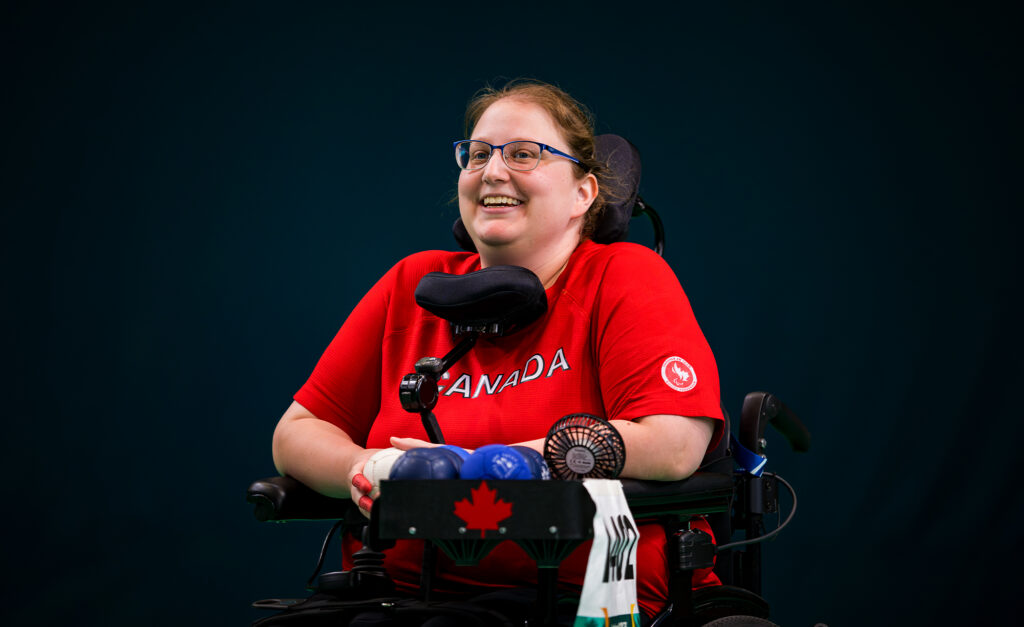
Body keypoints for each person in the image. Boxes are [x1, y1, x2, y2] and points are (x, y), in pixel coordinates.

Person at [271, 80, 725, 624]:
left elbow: (674, 444)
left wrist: (483, 468)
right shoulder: (413, 284)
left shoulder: (622, 276)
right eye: (478, 154)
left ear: (584, 192)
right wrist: (371, 467)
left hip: (583, 597)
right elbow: (296, 432)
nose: (492, 171)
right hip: (402, 590)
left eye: (524, 154)